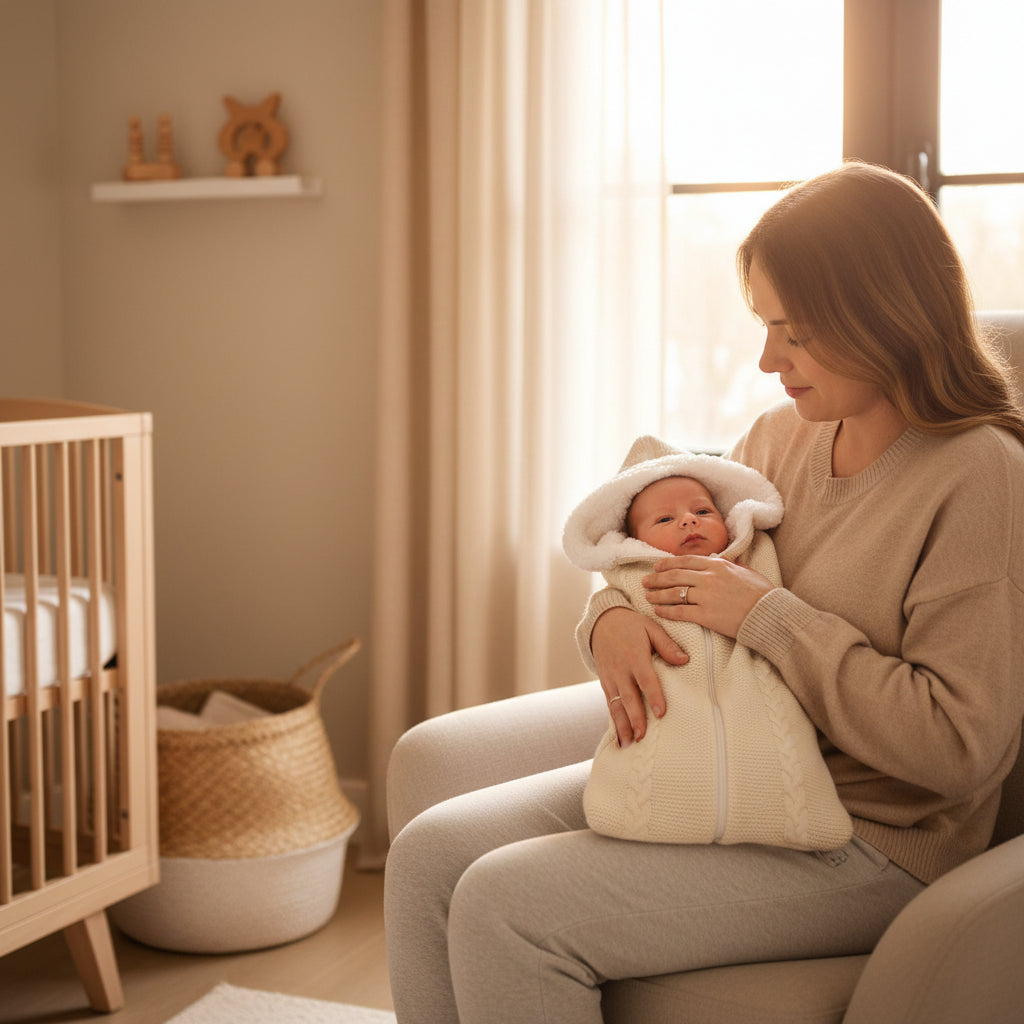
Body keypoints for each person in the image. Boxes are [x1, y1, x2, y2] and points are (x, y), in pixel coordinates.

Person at [384, 161, 1024, 1024]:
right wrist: (607, 615)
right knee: (428, 856)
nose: (769, 360)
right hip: (722, 767)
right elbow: (663, 550)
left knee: (508, 904)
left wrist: (769, 619)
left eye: (793, 332)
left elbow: (958, 747)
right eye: (766, 326)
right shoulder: (778, 435)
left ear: (882, 314)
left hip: (869, 838)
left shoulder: (981, 477)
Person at [562, 436, 850, 850]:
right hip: (661, 749)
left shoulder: (757, 558)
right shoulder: (634, 578)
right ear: (633, 541)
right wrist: (604, 615)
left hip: (773, 769)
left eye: (702, 511)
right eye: (664, 520)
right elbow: (607, 607)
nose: (688, 522)